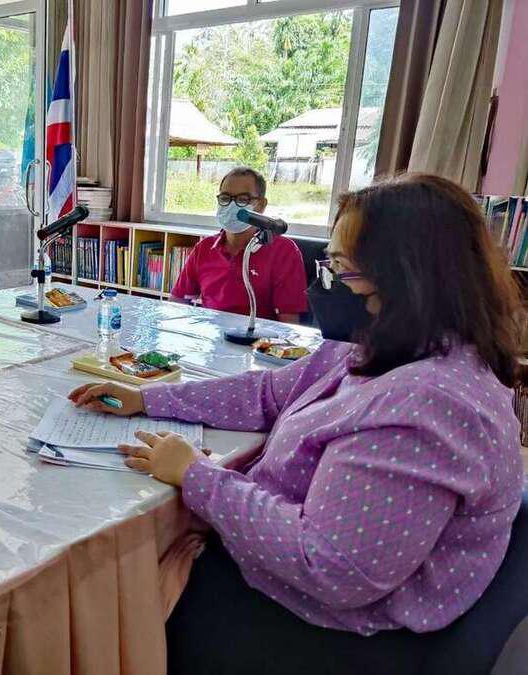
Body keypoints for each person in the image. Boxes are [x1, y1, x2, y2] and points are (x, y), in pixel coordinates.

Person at [70, 174, 524, 672]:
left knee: (108, 594)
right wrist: (149, 398)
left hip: (329, 625)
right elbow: (266, 393)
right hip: (295, 570)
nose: (327, 283)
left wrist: (197, 475)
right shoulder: (390, 348)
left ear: (403, 277)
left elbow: (329, 566)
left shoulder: (426, 405)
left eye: (341, 269)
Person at [170, 166, 308, 323]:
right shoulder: (204, 248)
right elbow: (177, 303)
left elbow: (288, 324)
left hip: (258, 337)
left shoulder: (284, 252)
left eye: (243, 199)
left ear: (261, 205)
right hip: (211, 333)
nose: (232, 206)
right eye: (225, 198)